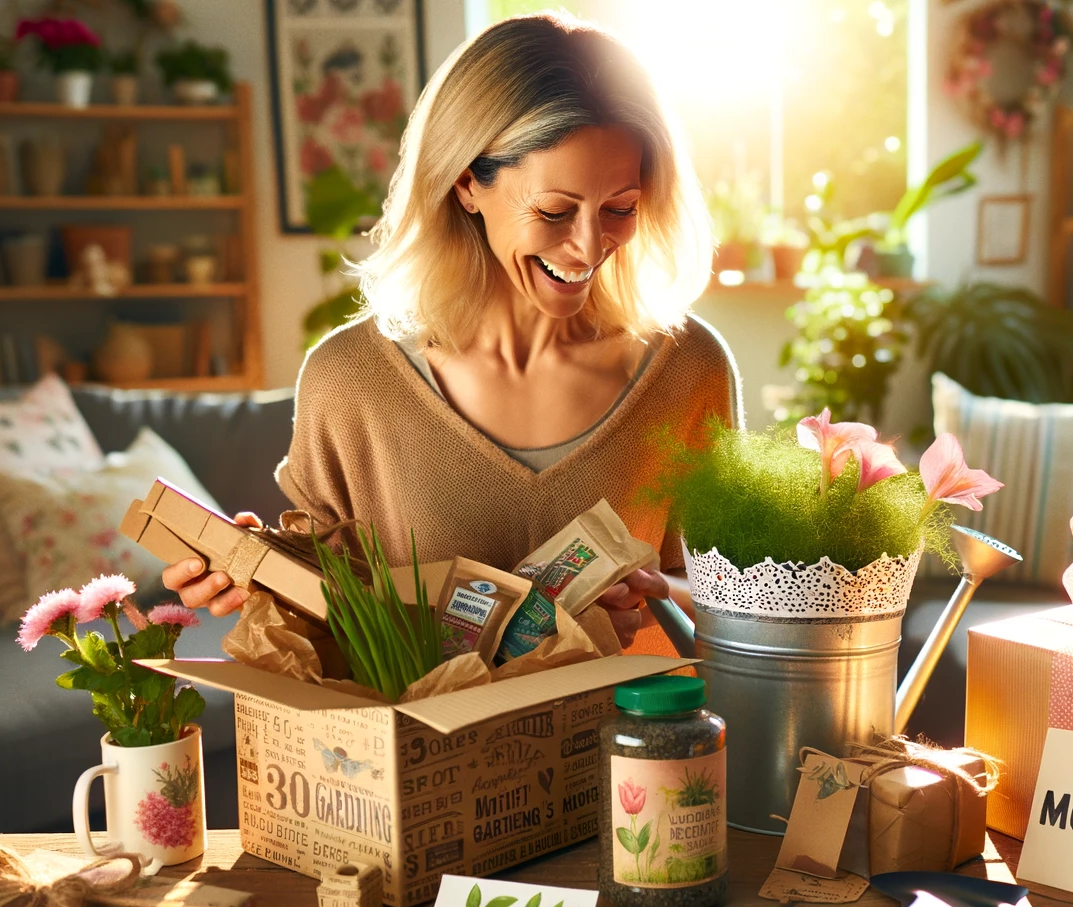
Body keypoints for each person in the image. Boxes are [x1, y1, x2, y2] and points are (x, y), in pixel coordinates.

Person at [164, 13, 742, 653]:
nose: (587, 246)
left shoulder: (689, 367)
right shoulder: (351, 381)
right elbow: (331, 631)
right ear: (467, 182)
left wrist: (652, 592)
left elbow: (743, 601)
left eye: (620, 209)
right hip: (423, 756)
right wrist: (256, 577)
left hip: (642, 749)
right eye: (554, 211)